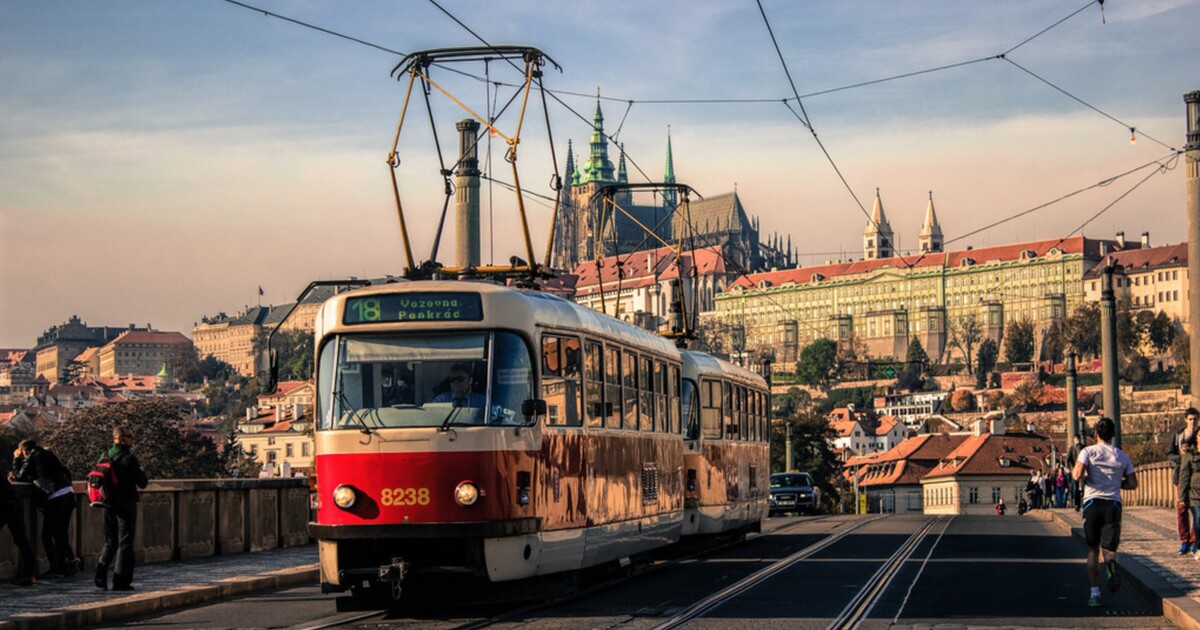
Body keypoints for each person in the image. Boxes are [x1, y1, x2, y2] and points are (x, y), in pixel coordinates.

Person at [1073, 417, 1137, 608]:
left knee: (1093, 549)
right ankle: (1111, 564)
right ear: (1113, 435)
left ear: (1095, 434)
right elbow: (1133, 483)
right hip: (1113, 504)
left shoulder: (1088, 452)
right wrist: (1118, 483)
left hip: (1092, 503)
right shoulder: (1122, 456)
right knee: (1109, 549)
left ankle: (1094, 594)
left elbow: (1077, 475)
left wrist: (1087, 477)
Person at [10, 439, 78, 578]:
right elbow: (66, 472)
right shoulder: (48, 454)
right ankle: (67, 563)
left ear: (24, 451)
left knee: (47, 535)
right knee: (61, 534)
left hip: (55, 497)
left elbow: (20, 476)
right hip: (68, 494)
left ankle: (55, 568)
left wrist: (16, 459)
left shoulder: (33, 456)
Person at [95, 426, 149, 592]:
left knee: (110, 541)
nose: (133, 439)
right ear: (122, 439)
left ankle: (100, 576)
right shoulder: (129, 458)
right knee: (124, 542)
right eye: (130, 436)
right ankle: (121, 581)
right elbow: (142, 482)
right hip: (125, 503)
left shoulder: (104, 456)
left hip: (108, 504)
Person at [0, 466, 37, 586]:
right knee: (22, 540)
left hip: (3, 504)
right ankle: (30, 574)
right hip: (14, 502)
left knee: (21, 540)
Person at [1170, 409, 1199, 554]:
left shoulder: (1199, 435)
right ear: (1186, 419)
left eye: (1195, 419)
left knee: (1196, 509)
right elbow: (1170, 453)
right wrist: (1180, 459)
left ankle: (1194, 540)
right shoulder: (1178, 435)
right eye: (1191, 419)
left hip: (1195, 478)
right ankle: (1184, 540)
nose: (1193, 422)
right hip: (1180, 475)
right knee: (1182, 508)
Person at [1067, 434, 1085, 510]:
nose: (1078, 441)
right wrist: (1071, 468)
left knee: (1084, 488)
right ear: (1074, 440)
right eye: (1076, 440)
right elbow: (1068, 459)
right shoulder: (1071, 448)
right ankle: (1077, 504)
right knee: (1075, 488)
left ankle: (1084, 503)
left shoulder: (1084, 448)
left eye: (1078, 440)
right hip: (1075, 469)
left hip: (1083, 470)